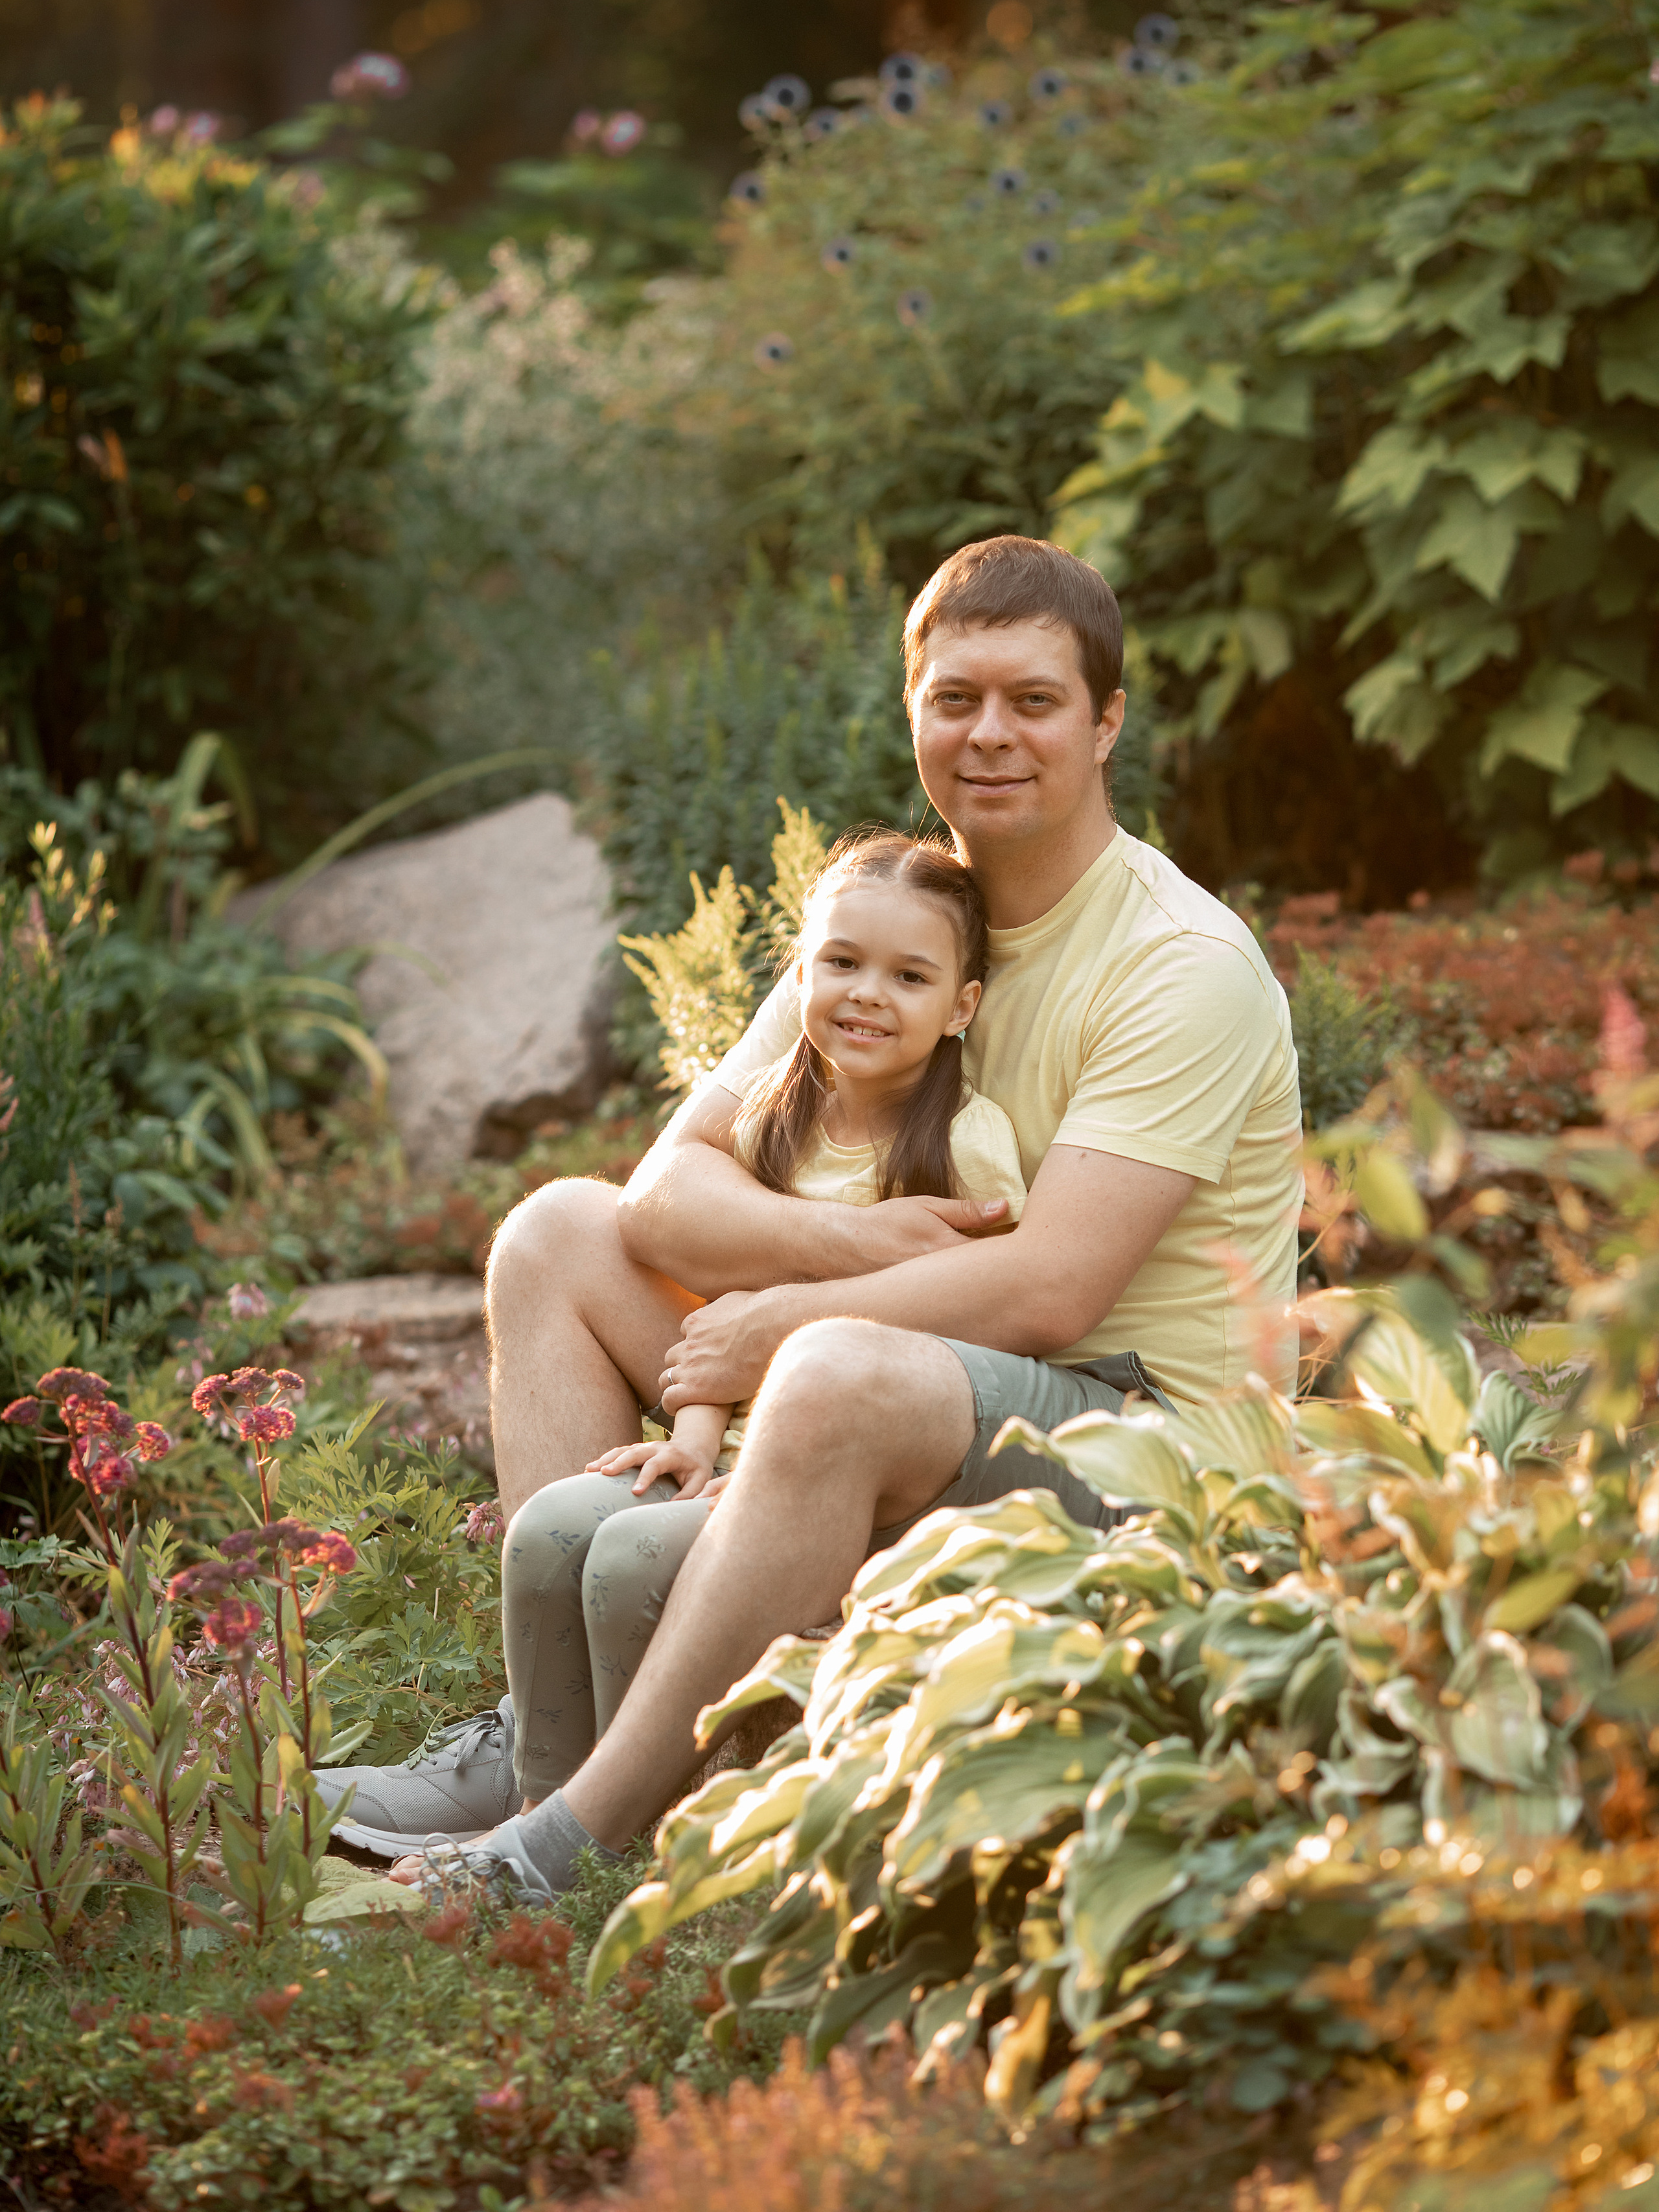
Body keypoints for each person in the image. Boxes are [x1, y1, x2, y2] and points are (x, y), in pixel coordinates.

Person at [321, 535, 1302, 1899]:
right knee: (557, 1231)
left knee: (833, 1367)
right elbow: (669, 1196)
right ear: (911, 709)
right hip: (930, 1362)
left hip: (1144, 1438)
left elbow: (1053, 1291)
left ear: (1106, 721)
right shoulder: (892, 927)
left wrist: (788, 1322)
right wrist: (851, 1251)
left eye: (1032, 700)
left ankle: (570, 1840)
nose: (989, 734)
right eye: (953, 697)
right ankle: (549, 1727)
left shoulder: (1176, 965)